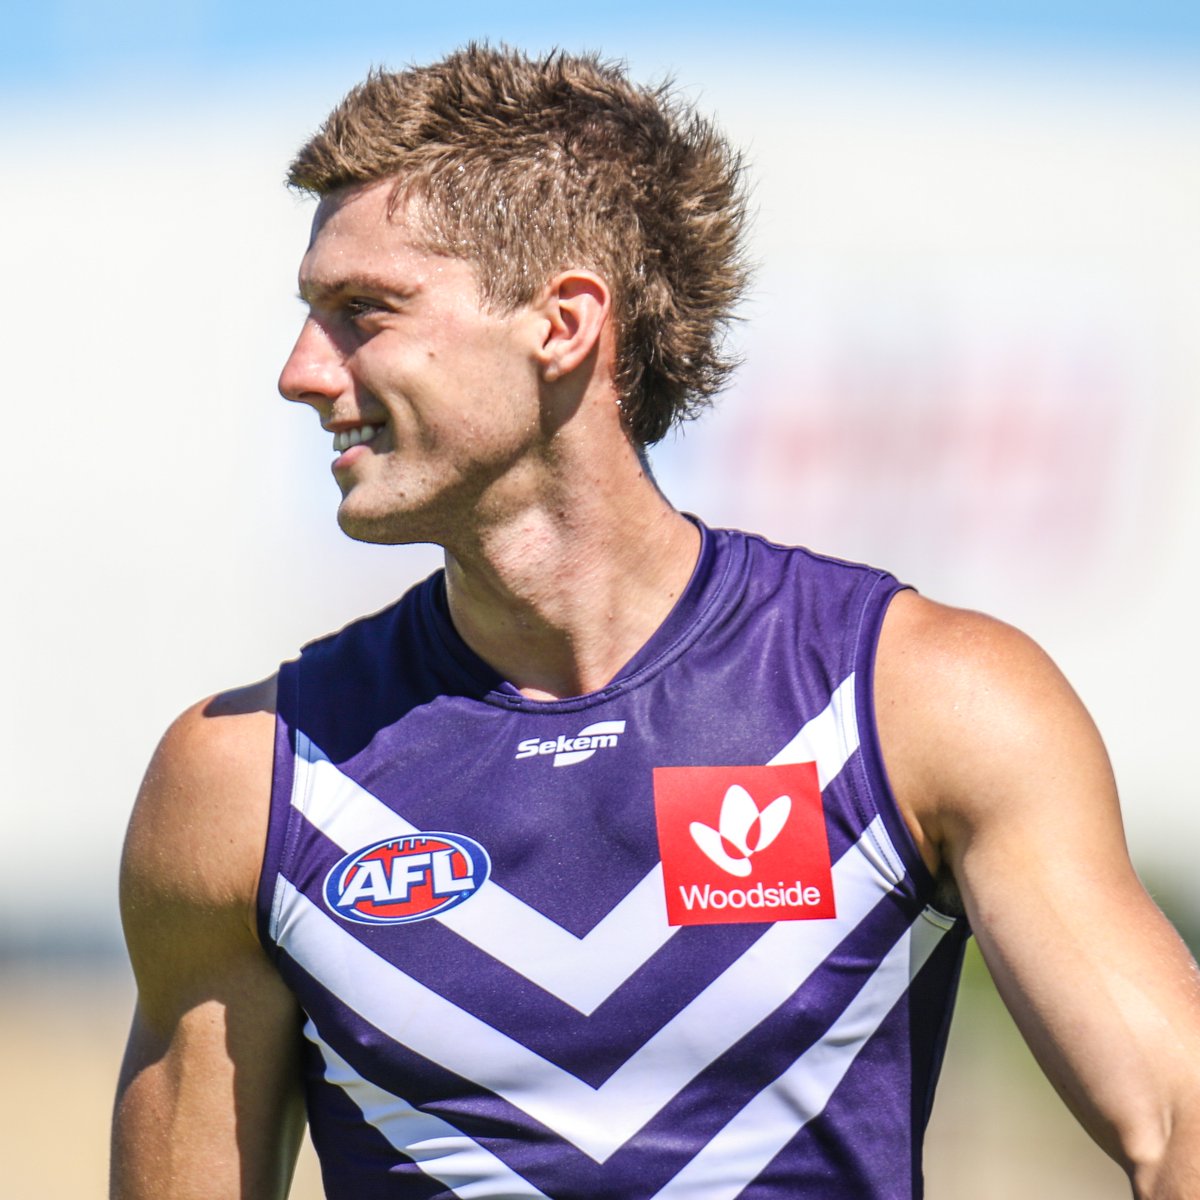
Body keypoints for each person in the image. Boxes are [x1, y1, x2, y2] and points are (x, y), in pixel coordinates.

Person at [111, 44, 1200, 1200]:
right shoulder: (243, 781)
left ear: (565, 321)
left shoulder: (916, 699)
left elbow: (1178, 1121)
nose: (299, 372)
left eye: (360, 313)